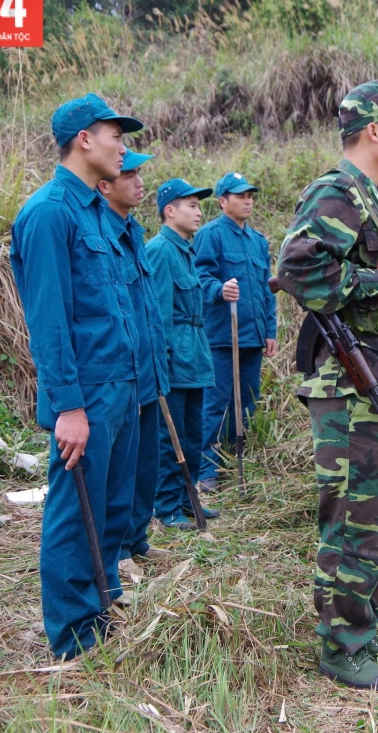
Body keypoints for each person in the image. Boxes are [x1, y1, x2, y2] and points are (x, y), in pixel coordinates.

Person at [276, 79, 378, 689]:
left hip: (375, 385)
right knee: (353, 520)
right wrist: (377, 280)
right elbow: (296, 268)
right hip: (348, 390)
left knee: (375, 517)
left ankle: (360, 625)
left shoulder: (366, 198)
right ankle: (340, 645)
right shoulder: (337, 193)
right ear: (373, 130)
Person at [9, 92, 144, 658]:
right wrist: (68, 406)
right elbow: (49, 321)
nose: (124, 147)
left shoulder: (95, 212)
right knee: (75, 513)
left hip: (121, 385)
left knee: (111, 508)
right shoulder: (48, 213)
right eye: (116, 135)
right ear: (84, 139)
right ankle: (72, 637)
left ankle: (101, 607)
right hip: (86, 394)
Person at [97, 151, 174, 573]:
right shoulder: (102, 236)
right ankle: (118, 551)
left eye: (140, 173)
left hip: (148, 370)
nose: (139, 182)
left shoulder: (133, 232)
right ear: (105, 185)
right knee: (120, 471)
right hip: (122, 374)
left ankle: (137, 538)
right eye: (129, 175)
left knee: (146, 463)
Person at [195, 172, 278, 493]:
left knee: (247, 403)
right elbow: (200, 278)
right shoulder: (210, 235)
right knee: (216, 404)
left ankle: (235, 459)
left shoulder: (258, 241)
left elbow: (267, 290)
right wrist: (219, 289)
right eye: (240, 196)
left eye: (250, 196)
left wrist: (269, 331)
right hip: (222, 337)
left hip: (252, 338)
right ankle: (207, 469)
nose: (248, 201)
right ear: (222, 201)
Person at [146, 179, 218, 529]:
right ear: (170, 210)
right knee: (168, 439)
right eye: (191, 205)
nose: (198, 212)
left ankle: (188, 498)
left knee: (191, 435)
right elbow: (158, 316)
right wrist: (161, 366)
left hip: (194, 360)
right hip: (174, 363)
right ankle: (166, 506)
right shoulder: (160, 250)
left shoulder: (185, 250)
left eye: (198, 205)